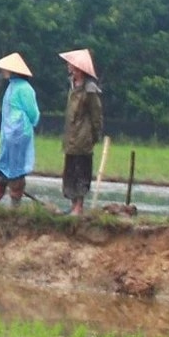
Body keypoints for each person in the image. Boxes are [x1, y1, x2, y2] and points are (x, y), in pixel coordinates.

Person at [0, 53, 38, 205]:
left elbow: (32, 113)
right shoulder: (14, 86)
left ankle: (9, 202)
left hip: (18, 134)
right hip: (12, 134)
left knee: (14, 167)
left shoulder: (23, 88)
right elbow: (34, 115)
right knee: (7, 165)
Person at [59, 48, 103, 214]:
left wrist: (94, 136)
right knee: (70, 171)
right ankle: (72, 205)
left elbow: (96, 116)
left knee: (81, 171)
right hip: (71, 136)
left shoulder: (90, 89)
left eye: (71, 64)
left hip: (83, 137)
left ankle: (79, 206)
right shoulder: (71, 85)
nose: (68, 66)